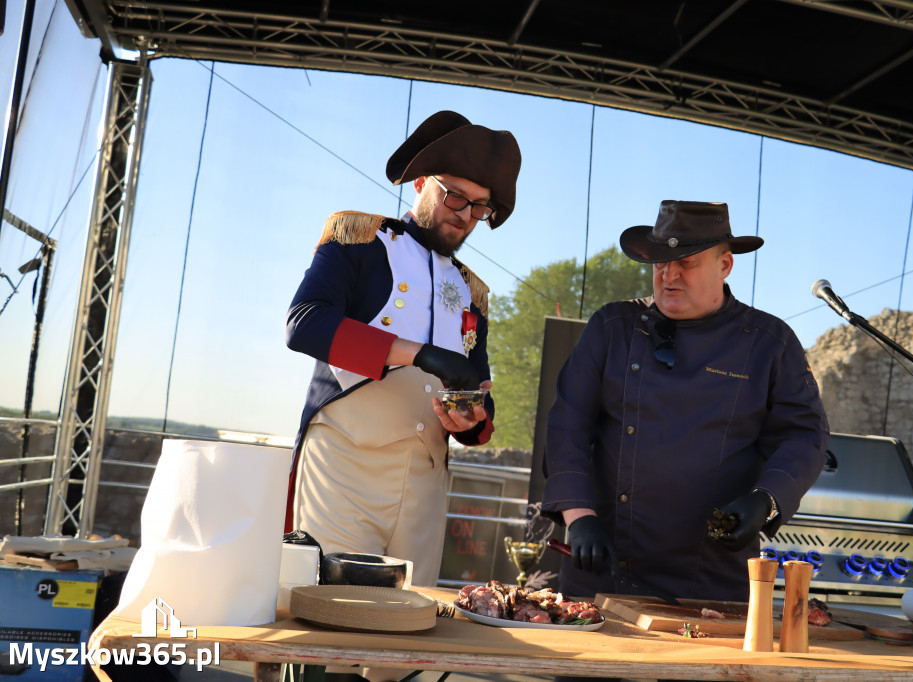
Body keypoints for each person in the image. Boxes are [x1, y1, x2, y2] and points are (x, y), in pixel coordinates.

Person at [541, 200, 829, 603]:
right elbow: (567, 425)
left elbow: (805, 437)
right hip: (602, 565)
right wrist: (579, 518)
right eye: (660, 262)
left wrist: (766, 500)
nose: (669, 275)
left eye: (687, 262)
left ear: (725, 265)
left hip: (710, 575)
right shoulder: (612, 327)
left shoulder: (769, 343)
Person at [284, 110, 521, 588]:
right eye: (455, 195)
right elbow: (303, 324)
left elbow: (479, 390)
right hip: (346, 467)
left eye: (480, 207)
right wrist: (419, 353)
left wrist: (473, 419)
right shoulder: (361, 239)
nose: (465, 214)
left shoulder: (472, 289)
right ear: (419, 184)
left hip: (426, 483)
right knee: (330, 614)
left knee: (406, 630)